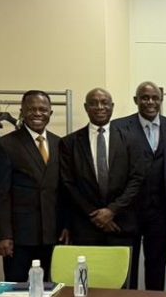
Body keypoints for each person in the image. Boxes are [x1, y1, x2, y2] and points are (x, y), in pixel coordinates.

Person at [60, 88, 145, 270]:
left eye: (104, 102)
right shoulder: (70, 142)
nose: (99, 107)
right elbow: (68, 184)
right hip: (85, 228)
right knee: (87, 286)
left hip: (121, 225)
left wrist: (112, 211)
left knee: (123, 288)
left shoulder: (131, 139)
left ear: (112, 106)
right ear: (86, 107)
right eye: (94, 103)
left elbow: (136, 180)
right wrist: (96, 215)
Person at [113, 81, 166, 290]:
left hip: (161, 210)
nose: (150, 102)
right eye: (145, 97)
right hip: (128, 211)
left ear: (161, 100)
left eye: (155, 98)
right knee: (128, 267)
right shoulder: (119, 127)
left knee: (157, 267)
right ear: (136, 100)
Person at [0, 91, 68, 282]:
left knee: (52, 291)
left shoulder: (59, 143)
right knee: (17, 294)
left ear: (50, 113)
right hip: (20, 238)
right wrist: (3, 235)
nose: (37, 113)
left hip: (53, 234)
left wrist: (66, 225)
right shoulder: (6, 144)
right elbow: (1, 194)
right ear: (22, 112)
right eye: (31, 109)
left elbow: (64, 190)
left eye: (43, 109)